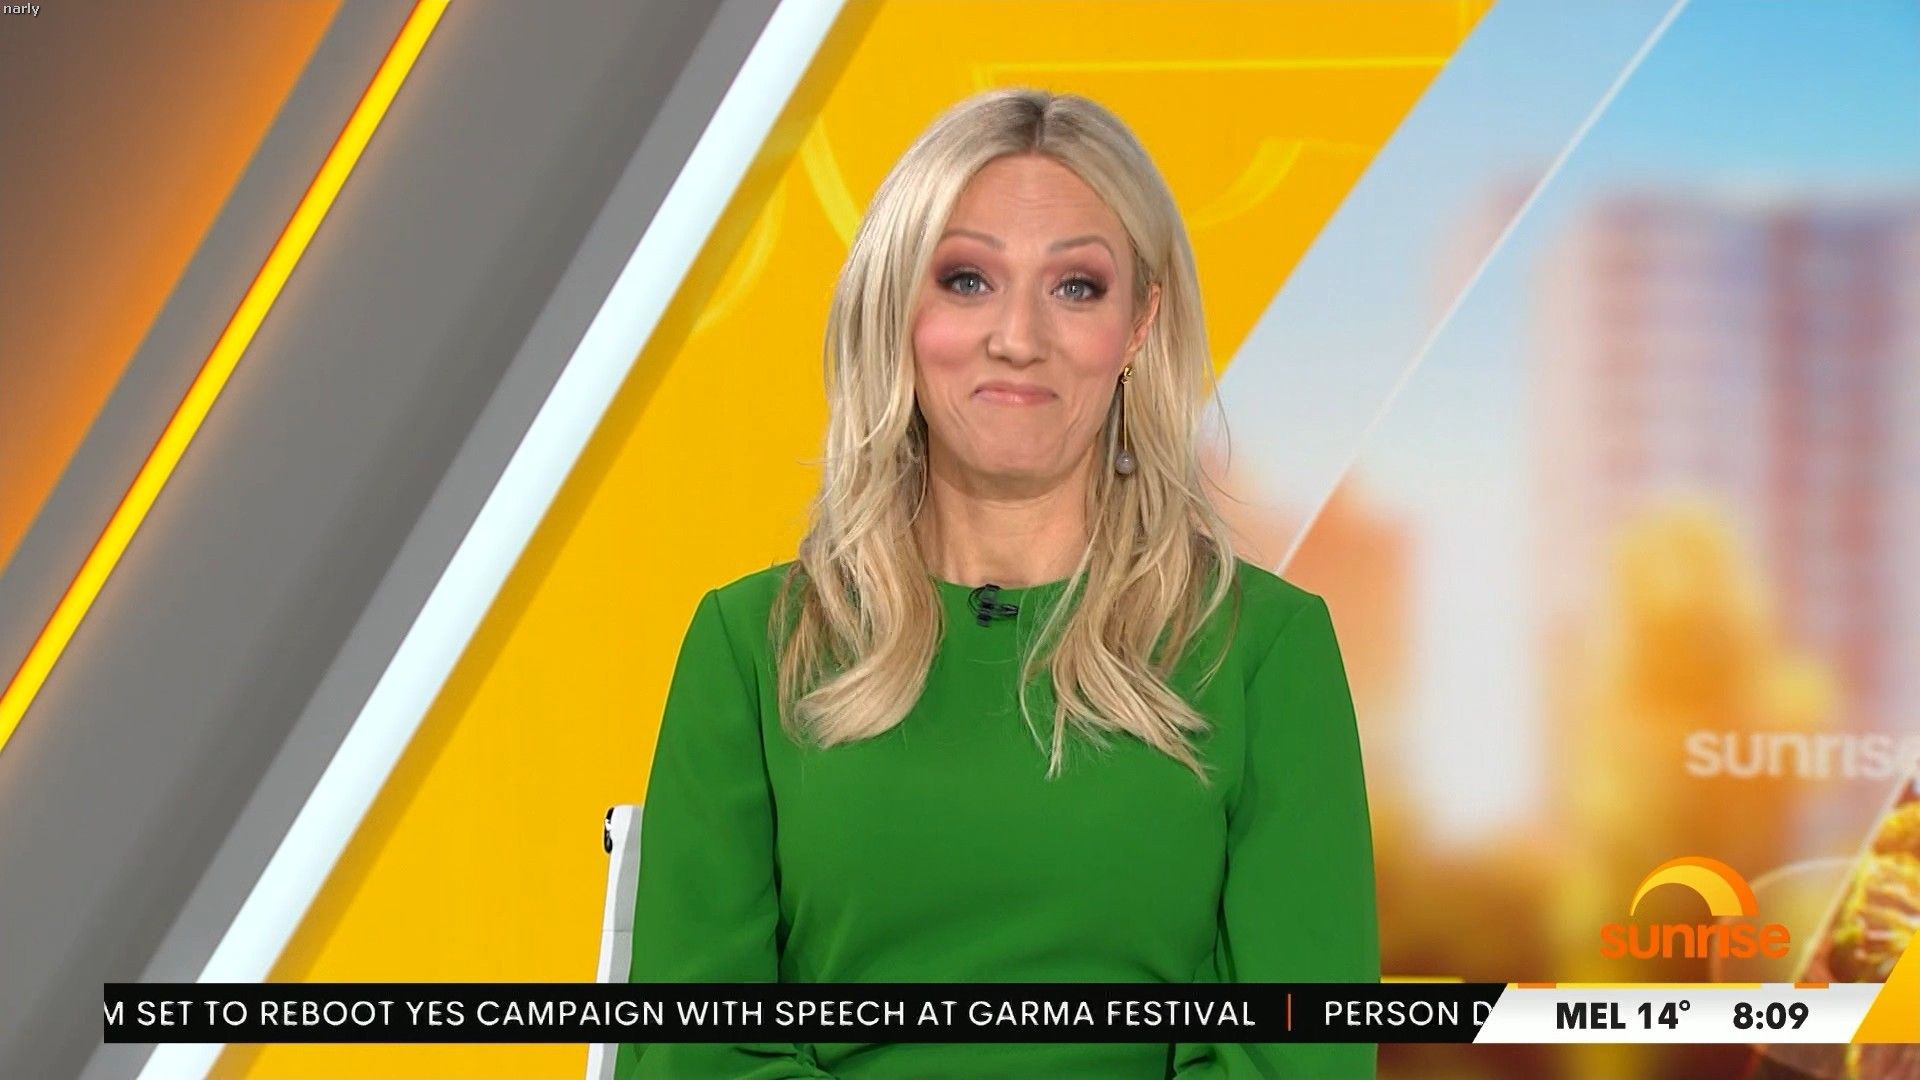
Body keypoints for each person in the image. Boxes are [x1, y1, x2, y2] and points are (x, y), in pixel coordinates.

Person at [617, 86, 1378, 1079]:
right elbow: (692, 1056)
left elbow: (1298, 1063)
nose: (1019, 336)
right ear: (899, 309)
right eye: (968, 280)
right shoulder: (750, 644)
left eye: (1077, 288)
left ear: (1139, 325)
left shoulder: (1264, 650)